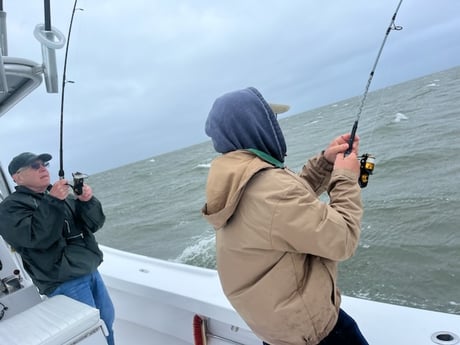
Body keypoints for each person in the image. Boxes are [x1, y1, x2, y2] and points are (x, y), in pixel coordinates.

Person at [202, 87, 368, 345]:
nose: (278, 127)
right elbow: (342, 239)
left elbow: (283, 214)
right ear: (257, 128)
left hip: (280, 331)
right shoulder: (271, 187)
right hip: (314, 333)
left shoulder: (235, 178)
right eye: (272, 120)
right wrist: (345, 176)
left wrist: (325, 162)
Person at [0, 152, 115, 345]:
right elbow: (37, 238)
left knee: (106, 323)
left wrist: (87, 202)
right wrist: (53, 201)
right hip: (63, 280)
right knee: (91, 334)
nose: (43, 168)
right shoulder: (9, 208)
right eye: (35, 166)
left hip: (89, 269)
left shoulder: (58, 197)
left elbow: (94, 224)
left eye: (44, 164)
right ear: (17, 177)